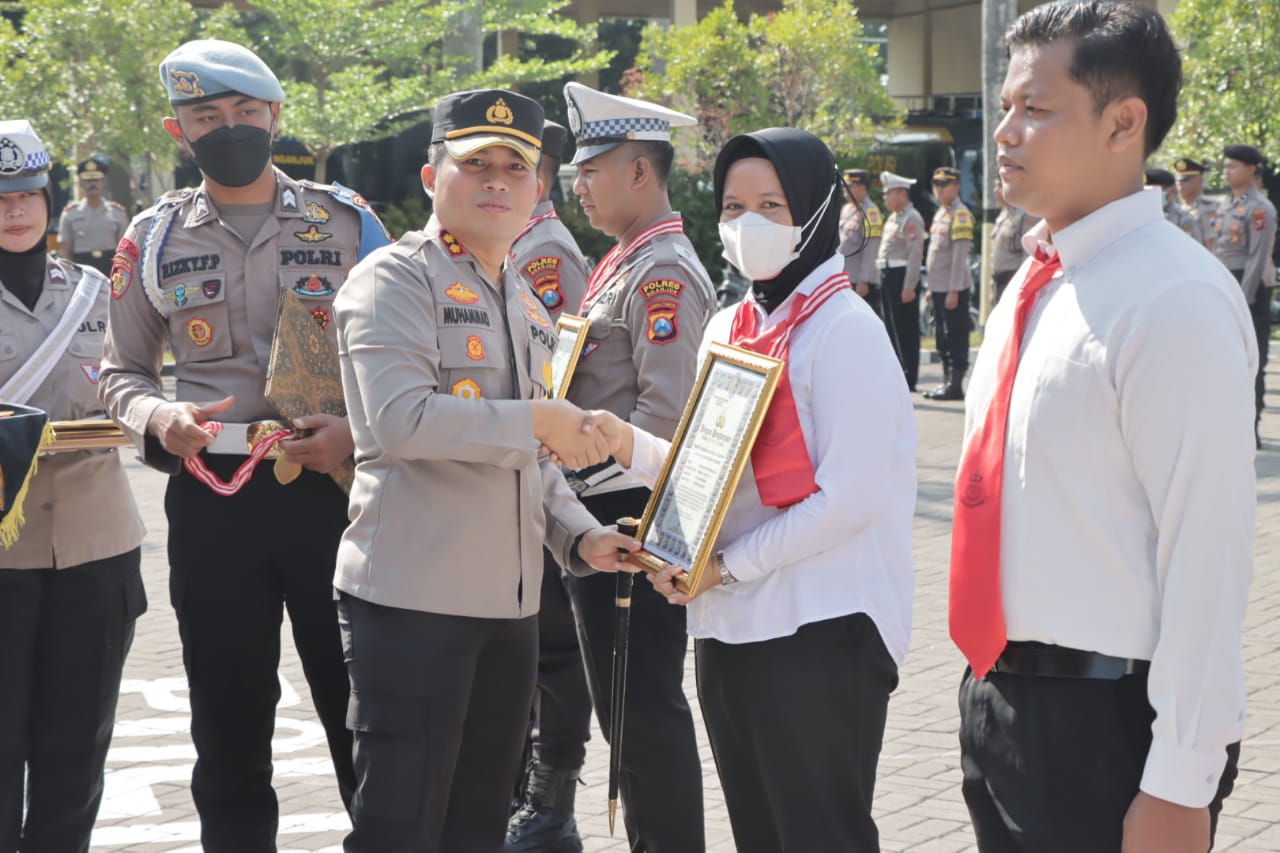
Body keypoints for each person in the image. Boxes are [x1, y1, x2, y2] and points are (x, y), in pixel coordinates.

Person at [951, 3, 1254, 851]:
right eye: (1006, 106)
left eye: (1036, 109)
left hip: (1107, 723)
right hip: (1003, 698)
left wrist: (1181, 779)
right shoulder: (1033, 281)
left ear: (1125, 122)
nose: (1005, 131)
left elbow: (1207, 551)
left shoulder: (1173, 299)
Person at [98, 39, 392, 851]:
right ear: (177, 129)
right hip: (212, 491)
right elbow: (119, 371)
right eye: (206, 117)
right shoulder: (151, 238)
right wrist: (159, 419)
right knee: (227, 718)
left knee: (361, 707)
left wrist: (359, 435)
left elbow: (409, 351)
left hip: (333, 490)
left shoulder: (349, 221)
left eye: (244, 113)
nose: (229, 128)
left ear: (274, 116)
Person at [592, 127, 916, 852]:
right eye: (734, 206)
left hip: (821, 629)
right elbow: (704, 468)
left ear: (817, 208)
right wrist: (622, 442)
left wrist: (728, 564)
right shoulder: (734, 323)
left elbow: (851, 497)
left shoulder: (843, 330)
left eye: (772, 204)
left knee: (818, 833)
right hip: (729, 629)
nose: (749, 224)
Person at [332, 87, 637, 853]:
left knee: (479, 825)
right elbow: (401, 420)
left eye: (515, 167)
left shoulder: (526, 300)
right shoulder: (393, 281)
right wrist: (540, 420)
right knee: (400, 825)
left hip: (510, 612)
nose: (497, 181)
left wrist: (580, 537)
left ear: (539, 189)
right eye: (477, 165)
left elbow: (534, 459)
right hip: (412, 604)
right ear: (435, 178)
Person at [559, 80, 713, 853]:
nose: (578, 185)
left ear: (641, 172)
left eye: (592, 170)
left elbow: (666, 419)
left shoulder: (662, 275)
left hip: (634, 519)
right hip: (599, 516)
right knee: (625, 711)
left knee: (642, 709)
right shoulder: (623, 263)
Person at [0, 119, 146, 853]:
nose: (15, 209)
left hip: (95, 550)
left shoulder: (99, 291)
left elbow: (138, 382)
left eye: (27, 192)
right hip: (3, 555)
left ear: (50, 199)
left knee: (76, 752)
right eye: (0, 197)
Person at [505, 117, 595, 853]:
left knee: (557, 651)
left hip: (551, 474)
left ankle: (552, 798)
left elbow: (556, 369)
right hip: (520, 466)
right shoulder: (516, 245)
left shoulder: (543, 252)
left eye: (516, 167)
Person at [1213, 144, 1276, 449]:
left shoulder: (1260, 208)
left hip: (1248, 287)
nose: (1227, 172)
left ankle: (1250, 427)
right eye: (1225, 167)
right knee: (1222, 358)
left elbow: (1258, 256)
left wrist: (1242, 297)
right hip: (1225, 281)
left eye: (1233, 167)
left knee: (1253, 358)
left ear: (1251, 170)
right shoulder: (1226, 205)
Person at [924, 165, 974, 401]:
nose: (938, 189)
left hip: (953, 287)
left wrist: (954, 289)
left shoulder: (960, 214)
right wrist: (932, 289)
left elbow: (958, 256)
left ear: (957, 186)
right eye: (936, 184)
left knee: (955, 336)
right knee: (942, 338)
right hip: (940, 286)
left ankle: (955, 385)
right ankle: (946, 382)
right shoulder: (941, 213)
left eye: (944, 185)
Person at [876, 171, 925, 391]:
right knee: (891, 328)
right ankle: (897, 373)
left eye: (889, 193)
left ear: (902, 194)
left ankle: (909, 376)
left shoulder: (912, 218)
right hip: (888, 276)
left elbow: (915, 255)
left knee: (905, 330)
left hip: (902, 276)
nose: (885, 198)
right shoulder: (894, 217)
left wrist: (909, 286)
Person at [57, 158, 129, 276]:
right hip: (82, 270)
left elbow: (125, 250)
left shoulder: (118, 213)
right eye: (88, 180)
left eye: (96, 180)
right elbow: (66, 252)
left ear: (104, 183)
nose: (93, 184)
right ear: (81, 183)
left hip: (111, 268)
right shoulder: (70, 214)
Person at [839, 167, 883, 315]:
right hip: (845, 277)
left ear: (863, 187)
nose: (845, 189)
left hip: (860, 280)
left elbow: (871, 249)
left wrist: (864, 280)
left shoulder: (871, 212)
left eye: (849, 186)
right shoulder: (847, 209)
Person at [990, 178, 1039, 304]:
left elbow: (1028, 253)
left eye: (999, 186)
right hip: (999, 279)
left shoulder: (1025, 214)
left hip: (1013, 277)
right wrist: (992, 287)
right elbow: (996, 254)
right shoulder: (1004, 214)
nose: (995, 191)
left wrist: (1023, 285)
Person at [1145, 168, 1202, 244]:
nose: (1152, 194)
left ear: (1173, 190)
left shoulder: (1184, 219)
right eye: (1148, 190)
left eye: (1158, 190)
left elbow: (1191, 249)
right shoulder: (1142, 218)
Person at [1174, 157, 1217, 251]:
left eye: (1185, 180)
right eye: (1178, 180)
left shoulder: (1207, 209)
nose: (1180, 184)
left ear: (1199, 180)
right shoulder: (1177, 210)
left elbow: (1212, 244)